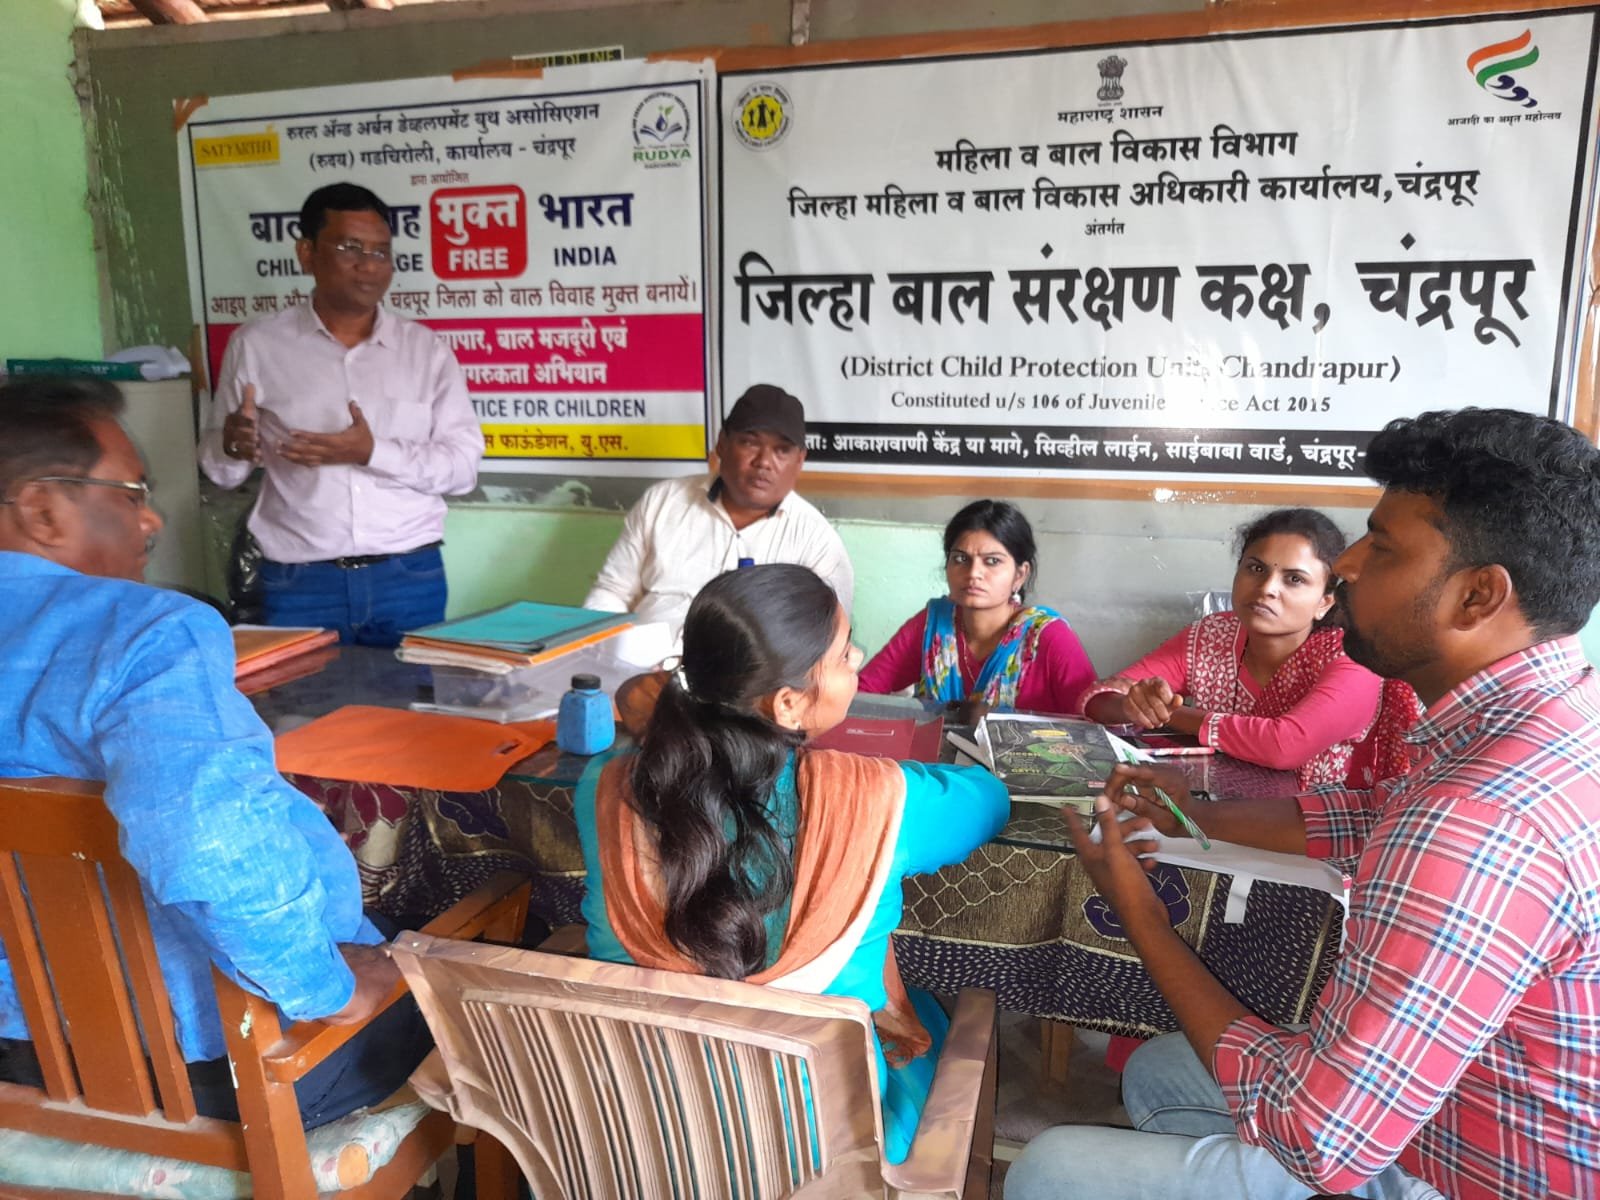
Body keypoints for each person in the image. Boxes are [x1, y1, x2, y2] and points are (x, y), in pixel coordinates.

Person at [1006, 408, 1600, 1200]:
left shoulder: (1477, 816)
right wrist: (1191, 812)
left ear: (1478, 595)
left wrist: (1140, 912)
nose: (1346, 564)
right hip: (1443, 1109)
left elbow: (1320, 1142)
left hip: (1466, 1174)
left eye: (1381, 546)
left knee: (1050, 1169)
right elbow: (1372, 814)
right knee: (1160, 1070)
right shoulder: (1545, 718)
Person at [1, 376, 427, 1126]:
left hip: (16, 1057)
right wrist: (327, 989)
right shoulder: (147, 635)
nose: (151, 518)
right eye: (132, 493)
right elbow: (210, 842)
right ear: (41, 510)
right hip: (206, 1068)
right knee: (462, 989)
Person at [575, 564, 1007, 1162]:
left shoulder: (605, 785)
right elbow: (990, 800)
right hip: (821, 1158)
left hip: (638, 1135)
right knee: (929, 1020)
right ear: (787, 703)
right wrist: (891, 775)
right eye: (844, 653)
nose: (859, 658)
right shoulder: (881, 798)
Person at [199, 181, 483, 647]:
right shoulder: (257, 345)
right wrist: (231, 447)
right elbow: (223, 473)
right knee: (302, 696)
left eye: (381, 252)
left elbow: (463, 470)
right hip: (299, 582)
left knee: (411, 695)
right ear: (307, 253)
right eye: (350, 248)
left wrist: (371, 451)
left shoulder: (425, 352)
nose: (369, 265)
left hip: (408, 577)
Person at [1081, 507, 1405, 788]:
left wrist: (1171, 714)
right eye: (1256, 568)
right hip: (1214, 814)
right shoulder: (1213, 635)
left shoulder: (1354, 658)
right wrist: (1132, 707)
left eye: (1294, 579)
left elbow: (1284, 745)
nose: (1267, 589)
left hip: (1319, 831)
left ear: (1325, 602)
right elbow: (1096, 699)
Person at [583, 384, 854, 639]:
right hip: (641, 664)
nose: (764, 462)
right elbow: (612, 592)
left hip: (745, 674)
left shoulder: (815, 541)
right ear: (722, 443)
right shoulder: (662, 502)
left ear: (800, 460)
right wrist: (612, 654)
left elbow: (828, 638)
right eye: (750, 443)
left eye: (781, 450)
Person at [858, 499, 1096, 713]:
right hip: (937, 751)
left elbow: (1092, 724)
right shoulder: (933, 625)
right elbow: (863, 693)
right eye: (961, 559)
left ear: (1020, 575)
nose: (973, 573)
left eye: (992, 561)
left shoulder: (1049, 637)